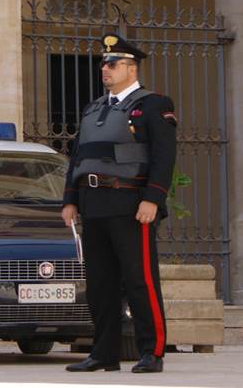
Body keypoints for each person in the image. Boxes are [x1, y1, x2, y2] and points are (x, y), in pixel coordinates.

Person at [62, 33, 177, 374]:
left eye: (112, 64)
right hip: (94, 205)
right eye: (103, 64)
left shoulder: (154, 104)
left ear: (131, 67)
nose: (105, 70)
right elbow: (78, 157)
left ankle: (151, 352)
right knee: (100, 284)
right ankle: (104, 353)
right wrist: (71, 199)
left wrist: (153, 198)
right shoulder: (93, 108)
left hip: (130, 205)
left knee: (140, 280)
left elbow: (163, 156)